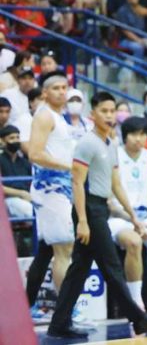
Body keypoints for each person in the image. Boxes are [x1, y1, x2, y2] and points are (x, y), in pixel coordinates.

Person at [47, 92, 147, 339]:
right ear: (93, 114)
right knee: (111, 266)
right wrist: (83, 221)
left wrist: (133, 216)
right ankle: (139, 318)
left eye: (112, 111)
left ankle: (58, 324)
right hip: (89, 208)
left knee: (79, 268)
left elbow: (116, 184)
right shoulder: (87, 143)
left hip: (101, 206)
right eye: (104, 111)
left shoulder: (110, 143)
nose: (109, 115)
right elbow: (77, 183)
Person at [25, 72, 76, 303]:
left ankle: (29, 303)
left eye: (65, 87)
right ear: (45, 92)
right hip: (51, 188)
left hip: (60, 187)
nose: (62, 92)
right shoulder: (45, 116)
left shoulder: (59, 116)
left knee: (49, 251)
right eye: (56, 88)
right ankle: (67, 312)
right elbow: (35, 154)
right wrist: (70, 166)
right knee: (63, 249)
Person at [108, 117, 147, 310]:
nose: (138, 139)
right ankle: (136, 302)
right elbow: (110, 204)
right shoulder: (114, 156)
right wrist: (135, 222)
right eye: (133, 134)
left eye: (143, 134)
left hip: (144, 217)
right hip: (119, 217)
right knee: (134, 242)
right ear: (124, 136)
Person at [1, 124, 33, 220]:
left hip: (28, 197)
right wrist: (21, 193)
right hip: (7, 199)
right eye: (11, 138)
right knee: (29, 210)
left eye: (17, 137)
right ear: (2, 140)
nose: (15, 140)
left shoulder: (24, 162)